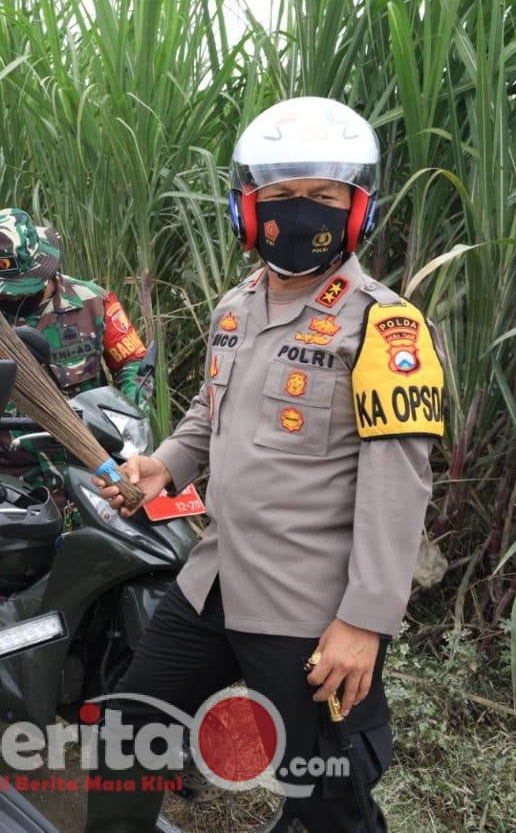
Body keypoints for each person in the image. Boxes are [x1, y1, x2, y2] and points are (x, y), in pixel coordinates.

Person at [85, 97, 445, 833]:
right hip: (213, 577)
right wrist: (165, 466)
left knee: (327, 794)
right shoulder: (235, 305)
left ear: (357, 209)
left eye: (323, 197)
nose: (302, 213)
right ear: (246, 208)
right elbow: (208, 413)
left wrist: (363, 622)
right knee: (128, 727)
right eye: (282, 197)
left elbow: (398, 484)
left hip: (309, 609)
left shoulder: (385, 326)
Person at [0, 207, 151, 500]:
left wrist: (131, 432)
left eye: (17, 290)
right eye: (0, 291)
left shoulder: (93, 303)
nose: (7, 297)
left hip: (92, 470)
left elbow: (132, 363)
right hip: (11, 476)